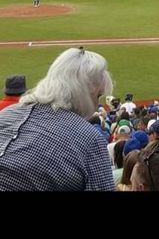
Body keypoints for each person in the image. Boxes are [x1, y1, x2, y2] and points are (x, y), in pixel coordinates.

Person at [0, 47, 115, 191]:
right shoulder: (90, 140)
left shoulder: (6, 113)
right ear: (85, 92)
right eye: (98, 96)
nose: (97, 104)